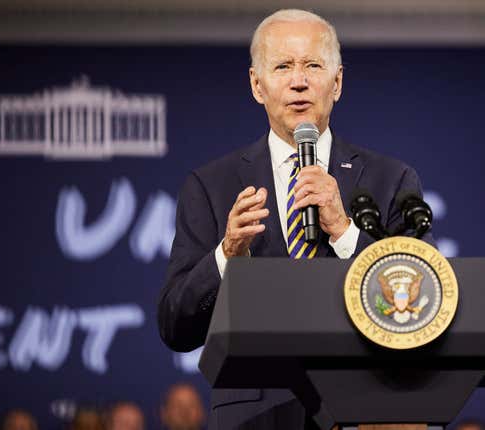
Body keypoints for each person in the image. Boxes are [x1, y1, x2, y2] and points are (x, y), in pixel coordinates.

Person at [157, 8, 433, 430]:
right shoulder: (211, 185)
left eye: (313, 66)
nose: (298, 81)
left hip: (362, 411)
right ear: (257, 85)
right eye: (283, 66)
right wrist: (227, 255)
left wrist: (344, 231)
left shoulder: (391, 179)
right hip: (253, 416)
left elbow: (419, 311)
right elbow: (176, 327)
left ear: (336, 82)